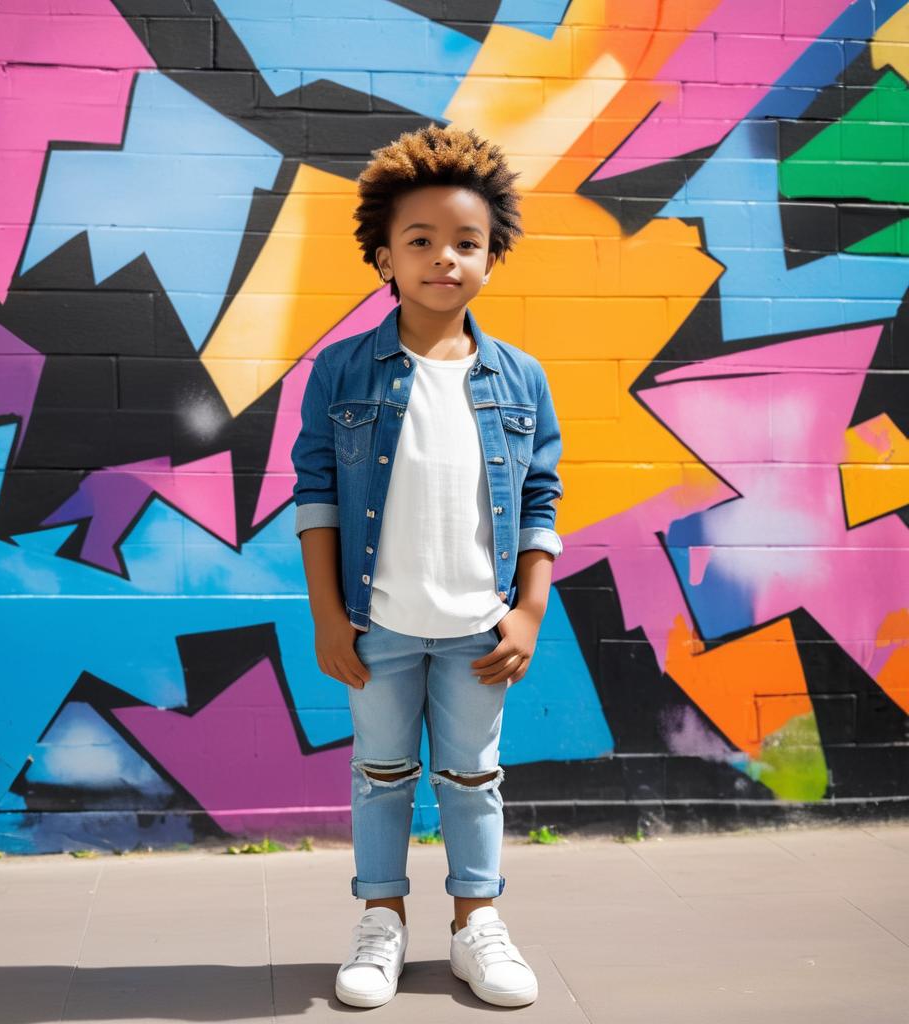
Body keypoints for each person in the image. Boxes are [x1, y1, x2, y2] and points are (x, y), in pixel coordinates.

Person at [290, 122, 564, 1009]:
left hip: (479, 627)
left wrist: (528, 611)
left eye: (467, 243)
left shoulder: (520, 377)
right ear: (384, 257)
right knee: (379, 776)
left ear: (492, 258)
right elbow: (317, 493)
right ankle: (381, 922)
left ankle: (475, 925)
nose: (444, 258)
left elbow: (541, 502)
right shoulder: (342, 371)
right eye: (421, 241)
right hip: (379, 625)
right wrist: (328, 614)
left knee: (474, 777)